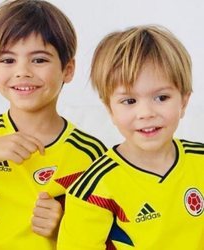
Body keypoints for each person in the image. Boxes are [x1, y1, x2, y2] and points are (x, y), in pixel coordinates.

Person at [0, 0, 107, 249]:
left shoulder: (91, 154)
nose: (22, 71)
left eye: (38, 60)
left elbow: (100, 236)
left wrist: (63, 227)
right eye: (7, 60)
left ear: (67, 70)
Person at [57, 25, 204, 249]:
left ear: (183, 102)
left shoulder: (200, 161)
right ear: (110, 110)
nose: (146, 113)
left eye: (161, 97)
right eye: (129, 101)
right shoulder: (94, 188)